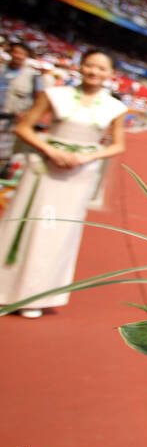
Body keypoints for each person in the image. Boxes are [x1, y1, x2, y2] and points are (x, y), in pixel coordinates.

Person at [0, 49, 127, 318]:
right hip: (45, 170)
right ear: (80, 66)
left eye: (101, 68)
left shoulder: (115, 108)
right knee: (26, 224)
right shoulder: (55, 95)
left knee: (57, 234)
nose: (94, 72)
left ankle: (35, 296)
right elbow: (23, 128)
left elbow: (117, 145)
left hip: (77, 177)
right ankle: (6, 289)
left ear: (110, 74)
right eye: (89, 65)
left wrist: (87, 156)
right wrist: (51, 150)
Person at [0, 41, 45, 176]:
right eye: (15, 52)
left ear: (26, 56)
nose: (18, 56)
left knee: (3, 152)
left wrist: (27, 114)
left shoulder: (32, 76)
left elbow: (39, 99)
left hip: (12, 120)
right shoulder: (2, 69)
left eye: (22, 54)